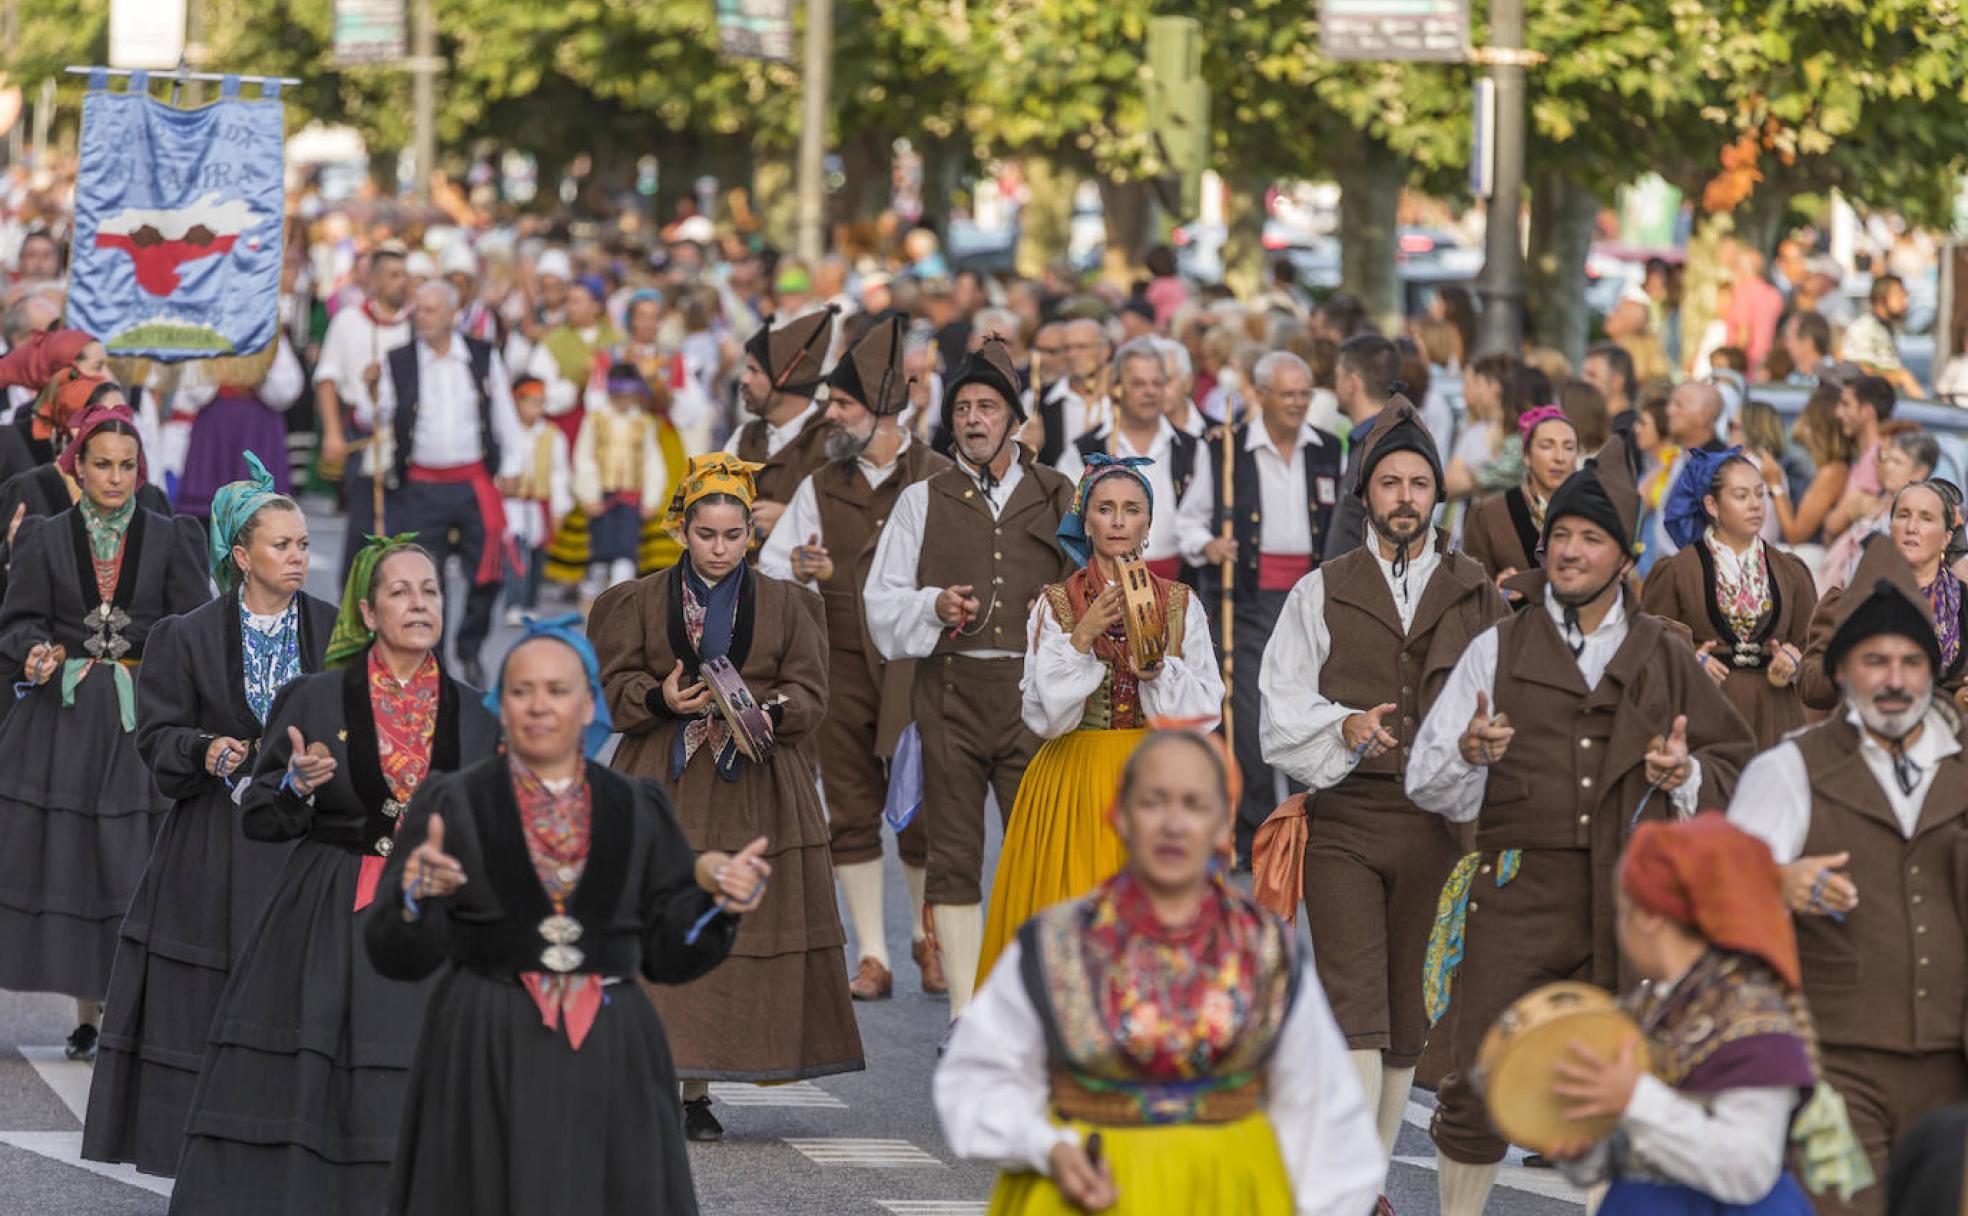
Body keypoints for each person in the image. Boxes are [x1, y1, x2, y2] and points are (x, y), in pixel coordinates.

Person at [1405, 429, 1756, 1216]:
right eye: (1559, 534)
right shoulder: (1498, 648)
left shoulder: (1664, 655)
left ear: (1624, 558)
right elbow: (1429, 781)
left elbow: (1743, 767)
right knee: (1479, 1084)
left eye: (1589, 538)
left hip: (1630, 904)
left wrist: (1686, 775)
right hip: (1516, 893)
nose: (1567, 551)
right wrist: (1469, 751)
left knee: (1622, 1092)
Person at [363, 618, 768, 1215]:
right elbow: (393, 951)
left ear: (587, 706)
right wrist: (416, 895)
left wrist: (718, 905)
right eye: (522, 690)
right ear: (502, 706)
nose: (539, 706)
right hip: (485, 1040)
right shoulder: (454, 803)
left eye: (558, 690)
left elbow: (667, 951)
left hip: (610, 1045)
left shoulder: (635, 805)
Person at [170, 539, 500, 1215]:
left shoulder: (475, 712)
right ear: (370, 613)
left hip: (435, 914)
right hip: (329, 908)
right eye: (401, 592)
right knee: (321, 1076)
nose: (419, 603)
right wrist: (292, 786)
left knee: (421, 1073)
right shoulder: (316, 699)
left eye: (430, 590)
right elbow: (260, 817)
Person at [937, 727, 1387, 1216]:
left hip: (1226, 1192)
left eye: (1194, 805)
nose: (1173, 824)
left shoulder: (1262, 951)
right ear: (1120, 816)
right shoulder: (1057, 942)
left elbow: (1325, 1114)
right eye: (1153, 802)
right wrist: (1047, 1145)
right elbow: (975, 1080)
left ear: (1222, 826)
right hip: (1084, 1189)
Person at [1255, 402, 1507, 1158]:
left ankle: (1366, 1176)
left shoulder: (1475, 589)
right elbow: (1281, 701)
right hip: (1346, 821)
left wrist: (1481, 742)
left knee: (1409, 1012)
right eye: (1390, 482)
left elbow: (1512, 694)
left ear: (1438, 495)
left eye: (1419, 483)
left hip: (1440, 824)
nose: (1405, 497)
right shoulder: (1322, 588)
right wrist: (1342, 726)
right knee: (1354, 1001)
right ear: (1366, 495)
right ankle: (1356, 1186)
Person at [589, 453, 862, 1141]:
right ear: (682, 529)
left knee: (737, 932)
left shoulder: (790, 604)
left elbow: (812, 692)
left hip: (758, 782)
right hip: (663, 775)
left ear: (751, 536)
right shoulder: (640, 600)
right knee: (656, 915)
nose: (718, 548)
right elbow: (615, 687)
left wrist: (774, 710)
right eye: (705, 534)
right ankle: (658, 1078)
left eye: (732, 536)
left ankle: (697, 1089)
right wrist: (659, 697)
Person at [83, 456, 334, 1174]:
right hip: (212, 846)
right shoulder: (187, 635)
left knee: (298, 993)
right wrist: (208, 750)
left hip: (305, 843)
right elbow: (154, 738)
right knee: (206, 998)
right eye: (282, 545)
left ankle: (293, 1136)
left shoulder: (333, 627)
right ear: (241, 554)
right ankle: (197, 1144)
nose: (297, 557)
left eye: (304, 544)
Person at [1729, 536, 1968, 1216]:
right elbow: (1715, 890)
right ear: (1842, 671)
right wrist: (1775, 882)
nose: (1894, 678)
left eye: (1911, 661)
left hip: (1954, 1072)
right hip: (1831, 1067)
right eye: (1875, 660)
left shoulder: (1962, 771)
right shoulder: (1790, 768)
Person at [864, 338, 1078, 1022]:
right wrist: (933, 605)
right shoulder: (922, 500)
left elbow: (1090, 586)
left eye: (988, 407)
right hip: (950, 696)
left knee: (1037, 858)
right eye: (962, 409)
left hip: (1037, 703)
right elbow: (882, 600)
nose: (974, 420)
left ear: (1015, 420)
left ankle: (1031, 1009)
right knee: (954, 857)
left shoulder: (1059, 493)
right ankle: (963, 1013)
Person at [0, 403, 208, 1060]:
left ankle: (121, 1004)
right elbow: (19, 622)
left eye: (126, 466)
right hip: (62, 721)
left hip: (140, 718)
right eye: (102, 465)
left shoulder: (174, 537)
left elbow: (192, 627)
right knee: (73, 860)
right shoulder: (44, 537)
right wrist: (33, 650)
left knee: (132, 860)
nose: (115, 478)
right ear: (78, 467)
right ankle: (89, 1009)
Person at [757, 314, 952, 1000]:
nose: (829, 413)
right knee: (849, 808)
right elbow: (778, 568)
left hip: (917, 670)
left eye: (843, 404)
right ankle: (874, 954)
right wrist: (804, 570)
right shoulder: (821, 479)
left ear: (882, 412)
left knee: (923, 814)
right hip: (839, 666)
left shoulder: (939, 478)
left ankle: (929, 938)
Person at [977, 455, 1222, 982]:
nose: (1117, 521)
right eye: (1104, 509)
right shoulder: (1055, 605)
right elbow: (1043, 717)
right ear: (1085, 522)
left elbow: (1206, 710)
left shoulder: (1180, 603)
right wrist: (1082, 636)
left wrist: (1157, 673)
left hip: (1155, 784)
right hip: (1074, 783)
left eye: (1130, 510)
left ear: (1147, 524)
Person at [1548, 814, 1866, 1215]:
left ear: (1648, 917)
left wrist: (1636, 1099)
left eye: (1622, 909)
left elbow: (1747, 1169)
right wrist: (1582, 1151)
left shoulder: (1754, 1021)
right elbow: (1627, 1153)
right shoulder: (1644, 1010)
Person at [1174, 350, 1342, 859]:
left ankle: (1306, 831)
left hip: (1310, 605)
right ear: (1261, 395)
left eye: (1304, 393)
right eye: (1287, 393)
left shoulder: (1327, 449)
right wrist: (1209, 546)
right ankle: (1250, 835)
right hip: (1247, 602)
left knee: (1303, 712)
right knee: (1246, 718)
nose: (1297, 403)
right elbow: (1190, 520)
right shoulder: (1228, 449)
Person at [368, 280, 526, 686]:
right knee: (425, 576)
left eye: (431, 310)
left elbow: (505, 415)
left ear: (452, 314)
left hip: (473, 483)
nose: (422, 317)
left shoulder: (481, 356)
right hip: (420, 486)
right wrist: (368, 393)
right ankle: (432, 659)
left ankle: (469, 647)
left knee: (486, 574)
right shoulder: (397, 360)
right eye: (419, 309)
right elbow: (375, 419)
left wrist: (511, 463)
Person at [1645, 450, 1818, 749]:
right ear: (1712, 504)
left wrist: (1793, 662)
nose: (1755, 505)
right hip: (1707, 713)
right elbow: (1649, 644)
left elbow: (1814, 647)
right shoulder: (1678, 571)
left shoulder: (1790, 570)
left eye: (1760, 494)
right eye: (1741, 495)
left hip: (1775, 715)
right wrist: (1690, 661)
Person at [1803, 482, 1968, 712]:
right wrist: (1848, 660)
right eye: (1903, 515)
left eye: (1926, 518)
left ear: (1946, 538)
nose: (1912, 527)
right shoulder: (1852, 600)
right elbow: (1811, 687)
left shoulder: (1963, 603)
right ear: (1891, 528)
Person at [1057, 339, 1200, 579]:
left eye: (1157, 383)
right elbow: (1070, 515)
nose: (1150, 391)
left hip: (1176, 579)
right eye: (1138, 384)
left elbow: (1197, 518)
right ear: (1117, 387)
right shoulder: (1088, 448)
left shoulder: (1191, 446)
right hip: (1107, 579)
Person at [315, 243, 411, 580]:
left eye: (404, 275)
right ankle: (353, 613)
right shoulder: (348, 321)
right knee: (363, 532)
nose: (402, 283)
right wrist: (332, 433)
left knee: (402, 533)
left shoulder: (415, 326)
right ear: (373, 280)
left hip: (405, 441)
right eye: (393, 276)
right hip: (362, 438)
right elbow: (327, 379)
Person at [725, 308, 839, 542]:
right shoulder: (743, 437)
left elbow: (857, 524)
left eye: (754, 371)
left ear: (785, 380)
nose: (744, 379)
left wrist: (793, 520)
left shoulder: (837, 438)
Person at [173, 337, 306, 520]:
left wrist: (260, 371)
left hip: (259, 433)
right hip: (216, 433)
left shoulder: (271, 338)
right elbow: (194, 390)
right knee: (206, 517)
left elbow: (286, 393)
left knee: (261, 515)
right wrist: (220, 368)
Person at [570, 362, 668, 592]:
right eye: (618, 396)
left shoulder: (643, 423)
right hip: (601, 496)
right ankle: (593, 599)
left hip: (630, 498)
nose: (623, 401)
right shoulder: (595, 420)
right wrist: (588, 494)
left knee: (626, 553)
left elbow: (652, 461)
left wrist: (651, 499)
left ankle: (619, 600)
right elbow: (584, 457)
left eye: (628, 396)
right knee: (600, 554)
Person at [1461, 404, 1579, 587]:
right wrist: (1497, 590)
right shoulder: (1489, 514)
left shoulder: (1592, 513)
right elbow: (1470, 589)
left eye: (1569, 447)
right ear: (1526, 455)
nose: (1559, 457)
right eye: (1547, 446)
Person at [1817, 430, 1936, 595]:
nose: (1889, 467)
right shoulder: (1876, 503)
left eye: (1898, 462)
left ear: (1920, 472)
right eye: (1888, 459)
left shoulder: (1915, 516)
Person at [1322, 333, 1402, 561]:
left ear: (1352, 383)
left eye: (1337, 376)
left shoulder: (1385, 446)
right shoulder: (1373, 440)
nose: (1334, 384)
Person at [500, 376, 572, 623]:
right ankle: (514, 603)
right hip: (511, 503)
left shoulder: (552, 435)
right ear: (516, 402)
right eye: (530, 402)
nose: (536, 409)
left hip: (539, 503)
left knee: (537, 553)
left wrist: (560, 508)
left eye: (540, 403)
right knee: (515, 552)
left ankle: (530, 602)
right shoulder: (505, 433)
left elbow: (559, 472)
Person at [526, 274, 625, 448]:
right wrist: (577, 384)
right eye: (569, 302)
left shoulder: (617, 341)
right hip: (568, 427)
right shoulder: (553, 342)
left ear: (596, 306)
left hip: (612, 426)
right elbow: (537, 389)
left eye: (576, 302)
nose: (570, 308)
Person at [1757, 386, 1852, 549]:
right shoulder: (1828, 468)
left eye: (1808, 421)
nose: (1803, 430)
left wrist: (1775, 484)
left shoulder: (1833, 472)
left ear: (1819, 427)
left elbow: (1795, 534)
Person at [1842, 274, 1922, 399]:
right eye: (1898, 296)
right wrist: (1900, 377)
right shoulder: (1864, 328)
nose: (1904, 301)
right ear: (1880, 300)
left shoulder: (1886, 329)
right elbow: (1860, 371)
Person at [1583, 341, 1636, 419]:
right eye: (1584, 374)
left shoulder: (1631, 428)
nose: (1584, 381)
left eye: (1592, 375)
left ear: (1616, 381)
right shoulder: (1596, 421)